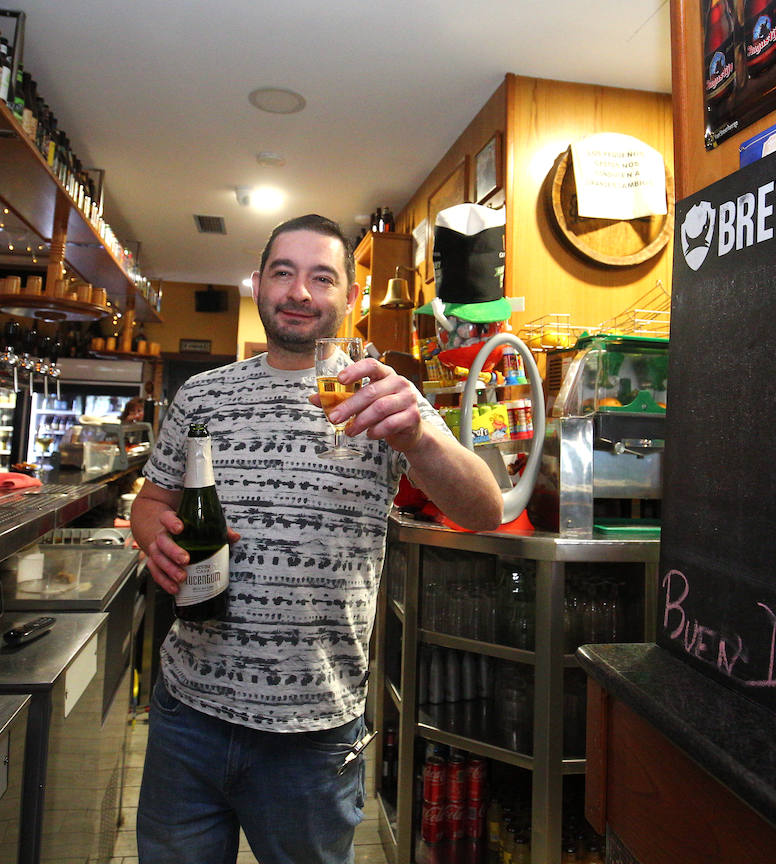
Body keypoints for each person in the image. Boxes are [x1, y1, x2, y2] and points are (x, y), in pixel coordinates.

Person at [131, 214, 501, 864]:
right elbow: (152, 501)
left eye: (321, 277)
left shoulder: (381, 395)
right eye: (283, 272)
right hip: (187, 714)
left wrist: (416, 438)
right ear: (257, 285)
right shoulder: (202, 396)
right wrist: (151, 532)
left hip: (312, 731)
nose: (300, 291)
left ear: (349, 298)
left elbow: (484, 509)